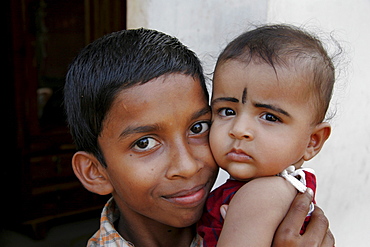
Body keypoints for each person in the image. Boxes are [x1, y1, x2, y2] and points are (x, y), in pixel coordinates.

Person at [64, 28, 334, 247]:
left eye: (198, 128)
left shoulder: (260, 215)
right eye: (144, 143)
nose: (188, 166)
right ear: (96, 172)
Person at [197, 24, 335, 247]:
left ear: (313, 140)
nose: (239, 129)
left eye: (270, 117)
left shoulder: (261, 196)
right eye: (227, 111)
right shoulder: (275, 189)